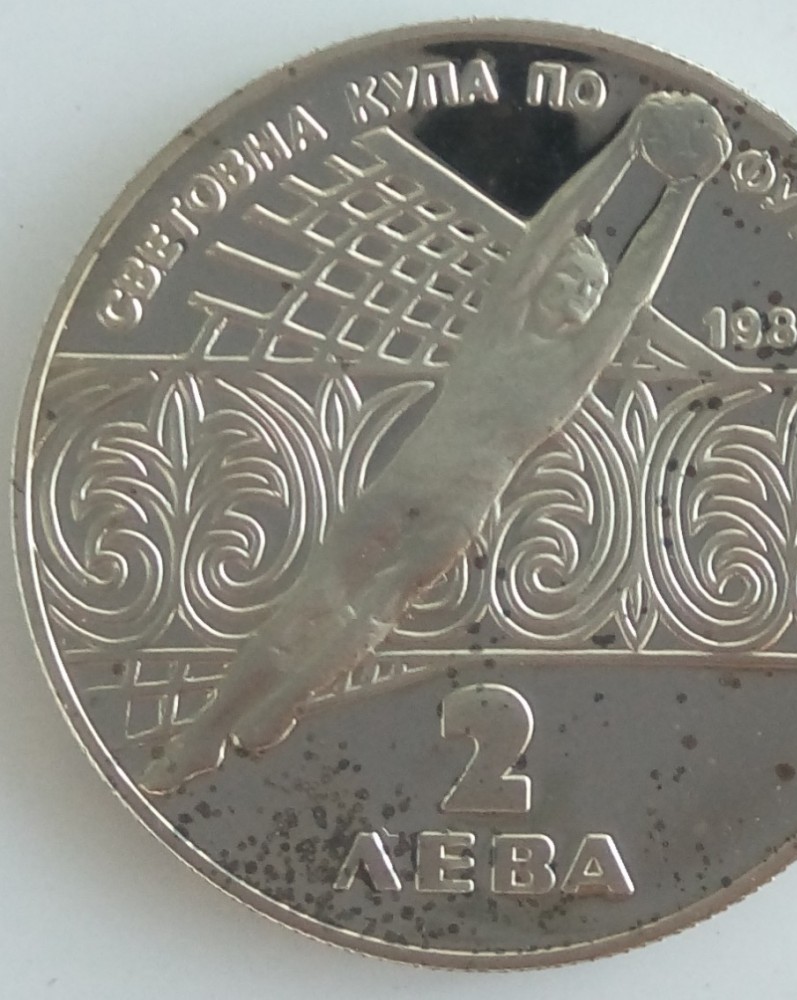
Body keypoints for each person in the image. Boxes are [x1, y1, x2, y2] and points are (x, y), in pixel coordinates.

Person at [141, 91, 731, 793]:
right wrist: (623, 151)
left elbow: (630, 290)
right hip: (406, 485)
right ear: (539, 282)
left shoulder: (575, 364)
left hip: (456, 506)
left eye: (588, 290)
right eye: (568, 278)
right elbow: (554, 227)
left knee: (380, 600)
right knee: (314, 597)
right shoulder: (498, 332)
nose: (579, 295)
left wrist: (683, 194)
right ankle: (206, 733)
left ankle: (278, 705)